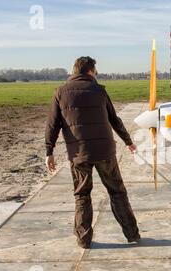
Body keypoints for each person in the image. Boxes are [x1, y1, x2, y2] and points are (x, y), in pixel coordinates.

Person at [45, 56, 140, 249]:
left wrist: (49, 151)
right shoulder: (99, 90)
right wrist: (128, 141)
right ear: (90, 70)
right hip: (105, 152)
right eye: (95, 70)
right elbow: (115, 119)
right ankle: (132, 234)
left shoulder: (60, 92)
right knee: (117, 192)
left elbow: (52, 125)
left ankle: (84, 239)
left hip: (79, 153)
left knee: (82, 195)